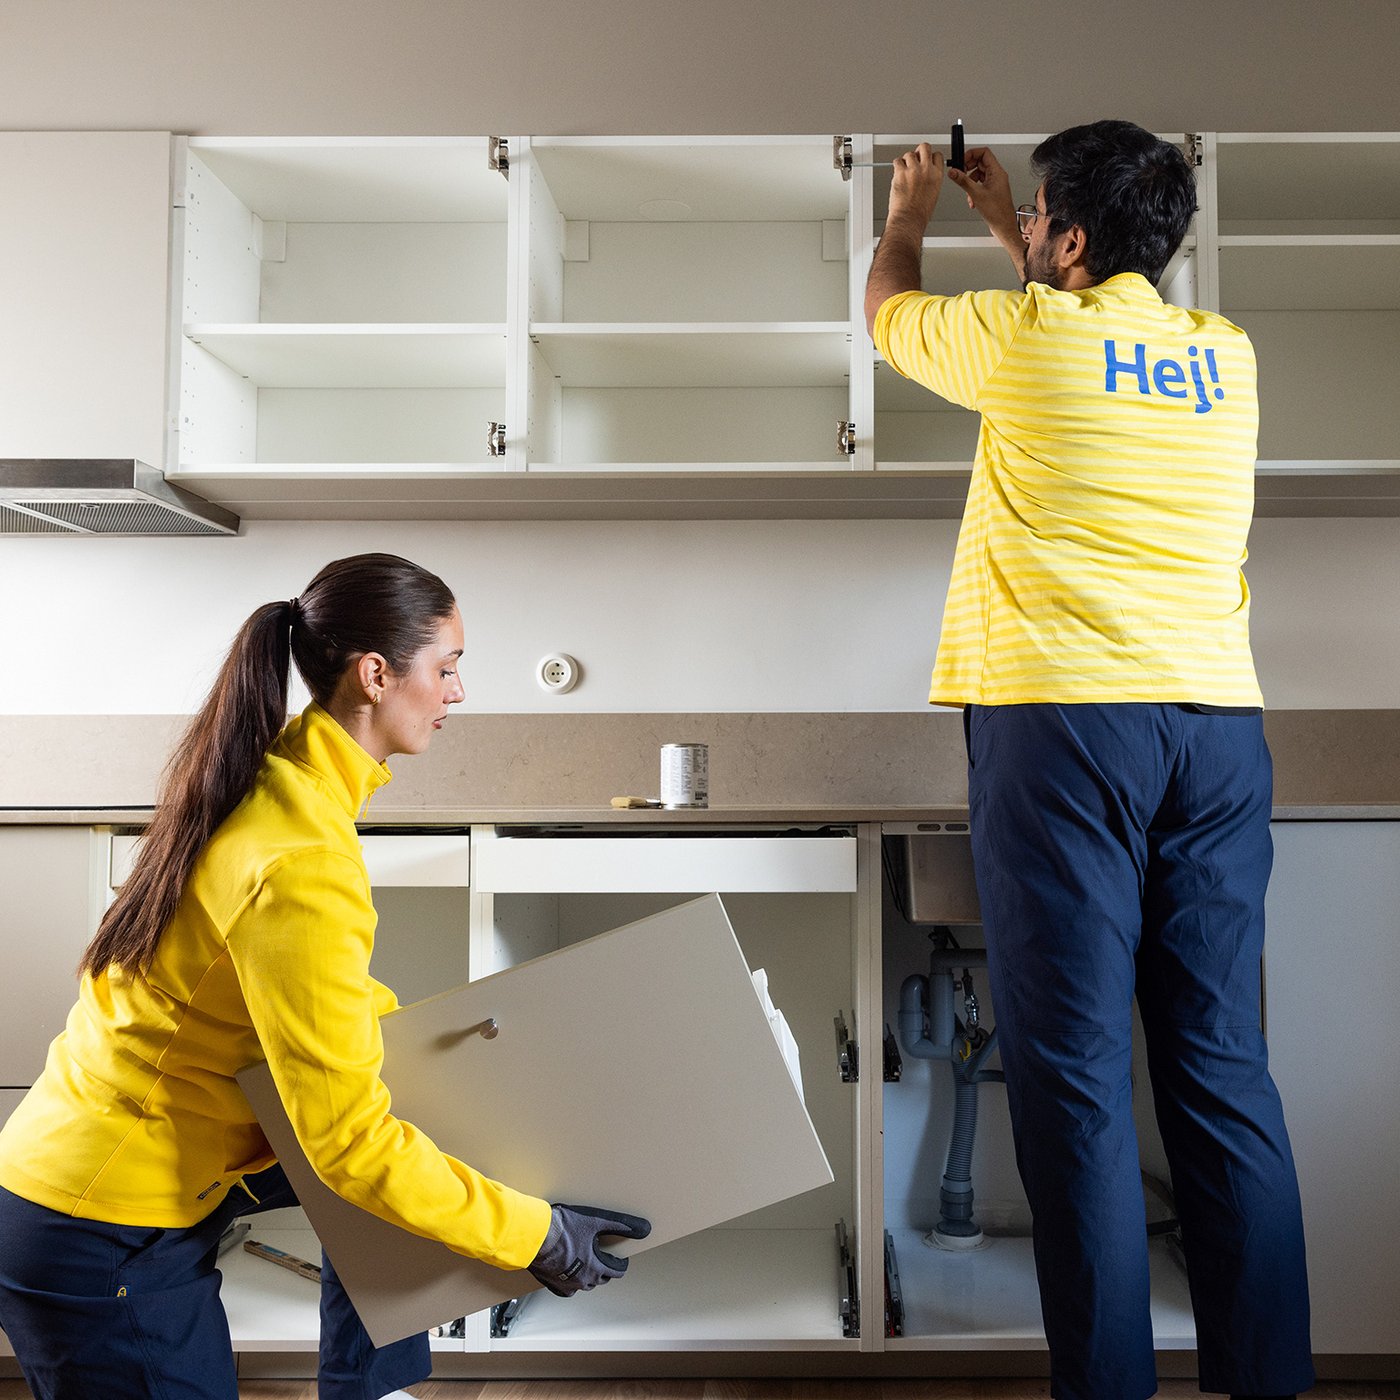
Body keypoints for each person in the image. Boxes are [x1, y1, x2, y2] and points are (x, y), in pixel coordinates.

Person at [865, 123, 1313, 1400]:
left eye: (1040, 220)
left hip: (1065, 726)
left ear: (1063, 240)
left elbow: (888, 312)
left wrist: (908, 216)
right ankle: (1264, 1381)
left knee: (1071, 1078)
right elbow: (1079, 319)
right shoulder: (1223, 355)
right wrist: (1014, 221)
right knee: (1220, 1064)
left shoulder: (1021, 339)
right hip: (1215, 733)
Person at [0, 552, 649, 1400]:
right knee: (373, 1153)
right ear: (376, 676)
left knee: (420, 1126)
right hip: (99, 1229)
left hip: (154, 1163)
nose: (458, 692)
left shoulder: (282, 779)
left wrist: (457, 1053)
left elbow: (288, 991)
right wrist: (535, 1237)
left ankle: (368, 1391)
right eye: (447, 668)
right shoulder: (301, 856)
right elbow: (345, 1146)